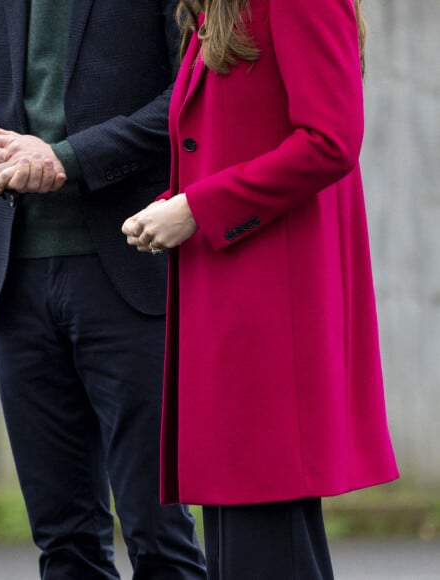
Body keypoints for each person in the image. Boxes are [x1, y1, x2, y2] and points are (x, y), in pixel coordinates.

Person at [0, 1, 207, 579]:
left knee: (160, 537)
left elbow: (190, 96)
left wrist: (68, 158)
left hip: (134, 268)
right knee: (64, 544)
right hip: (16, 282)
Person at [122, 0, 400, 577]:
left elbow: (332, 139)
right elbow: (228, 142)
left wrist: (200, 209)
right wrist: (174, 206)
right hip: (229, 321)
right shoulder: (218, 10)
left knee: (265, 553)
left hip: (271, 330)